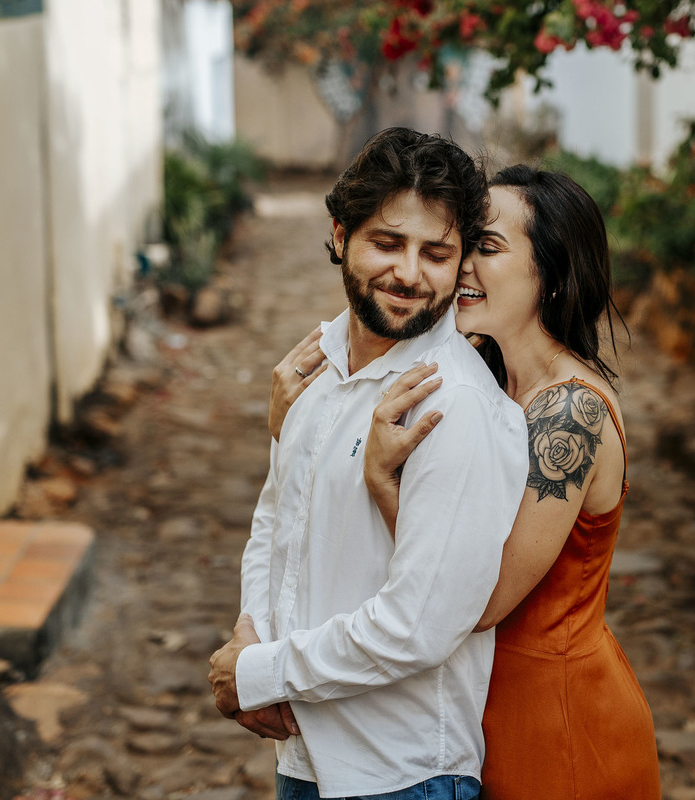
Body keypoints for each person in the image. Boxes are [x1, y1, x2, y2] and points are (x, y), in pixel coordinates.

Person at [271, 165, 663, 798]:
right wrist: (287, 432)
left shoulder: (571, 412)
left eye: (488, 247)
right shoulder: (481, 378)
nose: (463, 269)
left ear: (552, 272)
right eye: (467, 246)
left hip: (551, 716)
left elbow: (476, 599)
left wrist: (383, 484)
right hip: (470, 704)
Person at [208, 128, 528, 800]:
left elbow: (420, 625)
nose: (409, 273)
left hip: (403, 775)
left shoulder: (455, 404)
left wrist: (262, 671)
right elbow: (278, 517)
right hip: (306, 762)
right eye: (388, 242)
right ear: (339, 235)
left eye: (436, 253)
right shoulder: (315, 368)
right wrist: (250, 629)